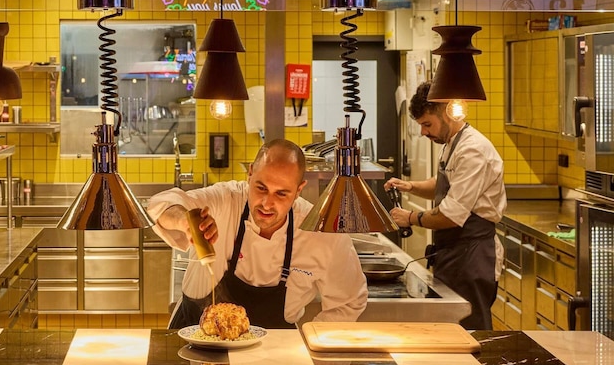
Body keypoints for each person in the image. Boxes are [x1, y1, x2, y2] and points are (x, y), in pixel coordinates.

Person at [147, 139, 368, 329]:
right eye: (261, 188)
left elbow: (348, 302)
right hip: (192, 335)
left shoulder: (320, 232)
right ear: (250, 173)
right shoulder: (226, 200)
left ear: (299, 189)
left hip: (274, 353)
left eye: (281, 194)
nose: (267, 203)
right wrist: (185, 220)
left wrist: (309, 345)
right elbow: (162, 203)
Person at [384, 81, 506, 330]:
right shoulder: (453, 143)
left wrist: (410, 217)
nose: (423, 132)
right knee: (450, 326)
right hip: (453, 251)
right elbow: (443, 184)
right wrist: (411, 186)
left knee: (470, 330)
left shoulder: (473, 150)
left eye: (427, 124)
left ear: (447, 113)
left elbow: (451, 215)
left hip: (472, 255)